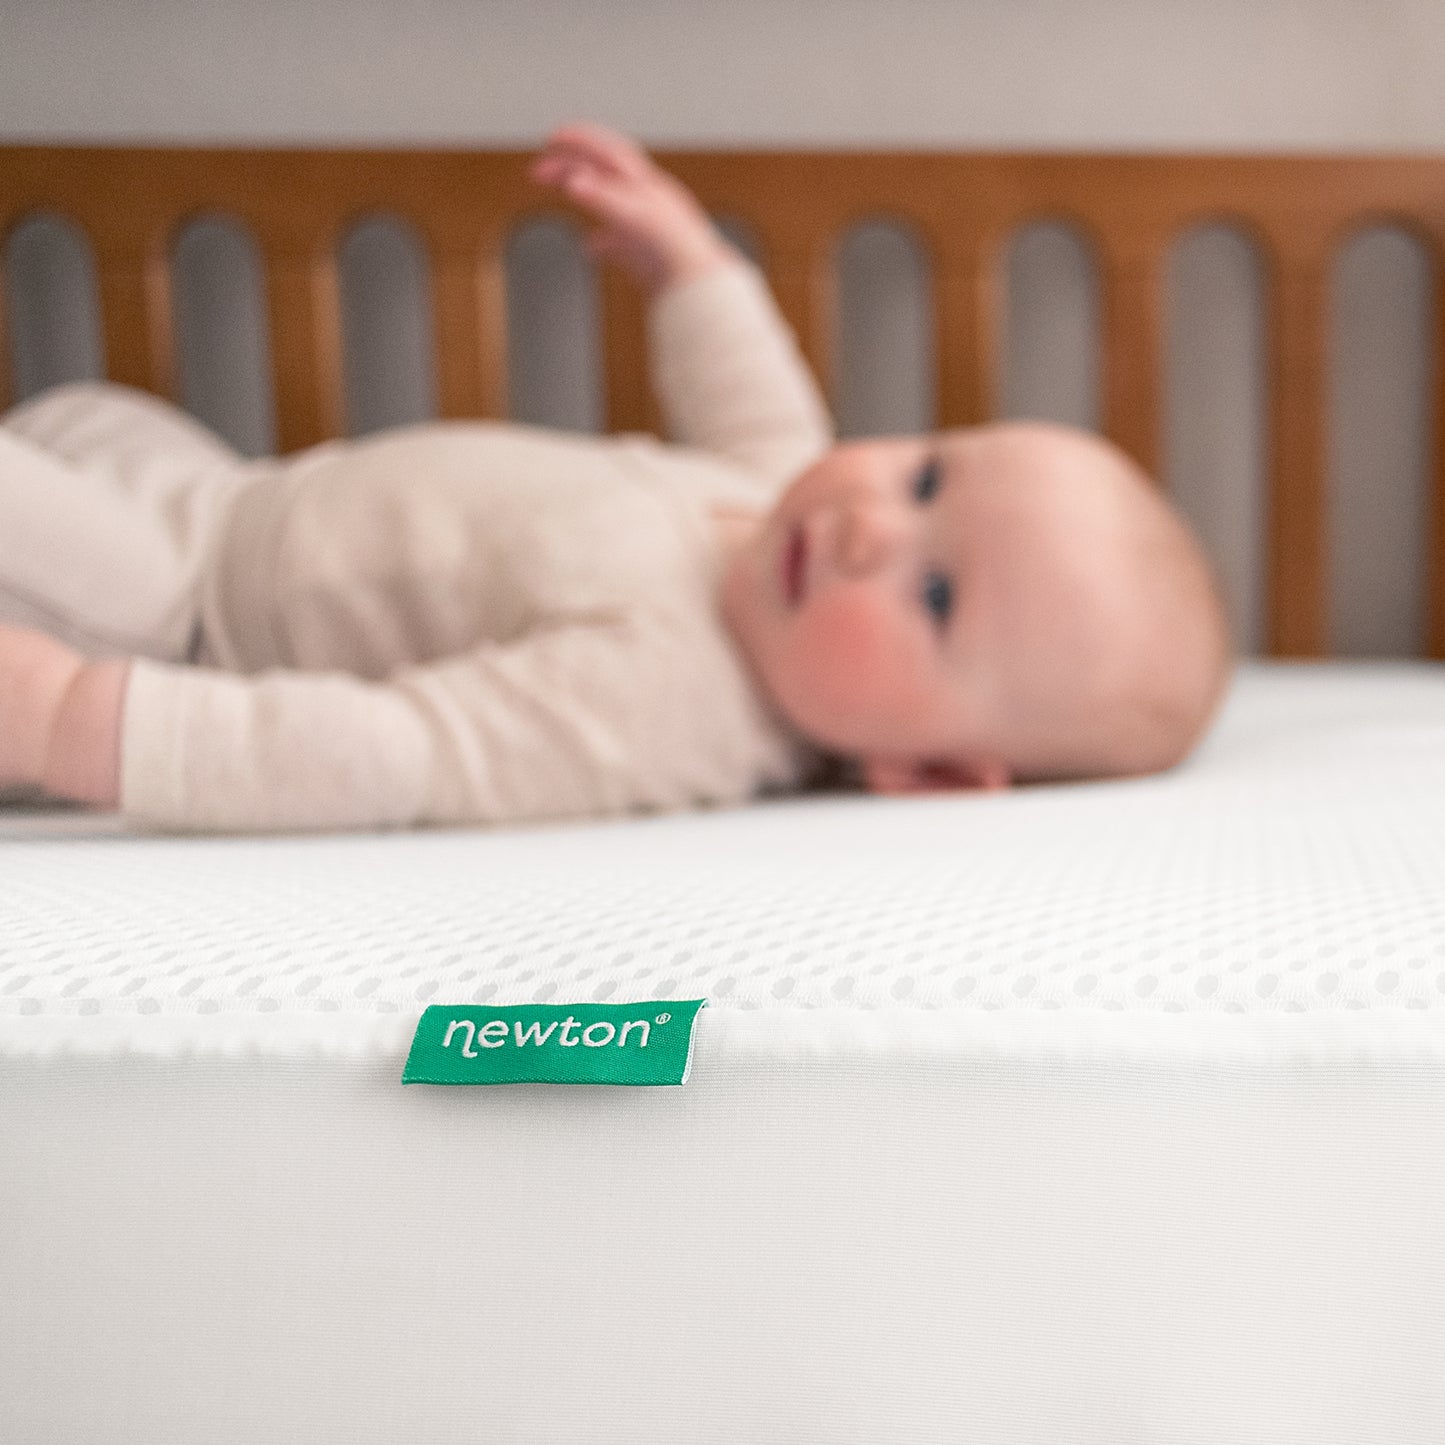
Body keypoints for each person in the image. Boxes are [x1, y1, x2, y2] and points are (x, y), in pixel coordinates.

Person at [0, 124, 1231, 833]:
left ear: (930, 771)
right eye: (922, 478)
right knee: (79, 415)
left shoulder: (669, 706)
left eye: (936, 598)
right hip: (226, 491)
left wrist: (72, 722)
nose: (867, 526)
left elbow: (394, 750)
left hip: (185, 613)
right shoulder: (776, 507)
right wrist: (689, 262)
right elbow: (753, 393)